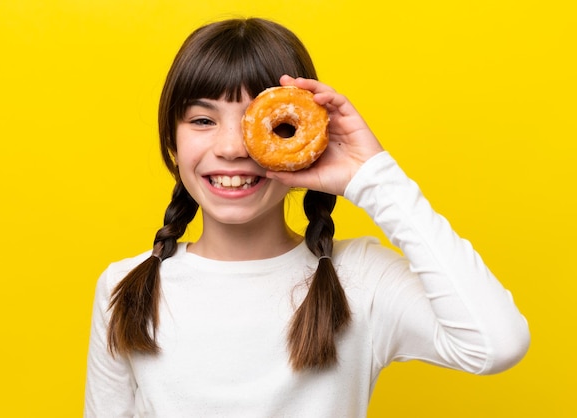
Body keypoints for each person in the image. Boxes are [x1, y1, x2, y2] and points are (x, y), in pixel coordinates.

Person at [84, 17, 530, 417]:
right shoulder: (126, 288)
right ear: (172, 142)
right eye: (203, 120)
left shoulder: (361, 279)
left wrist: (373, 178)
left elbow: (496, 344)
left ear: (306, 137)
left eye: (267, 123)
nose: (233, 148)